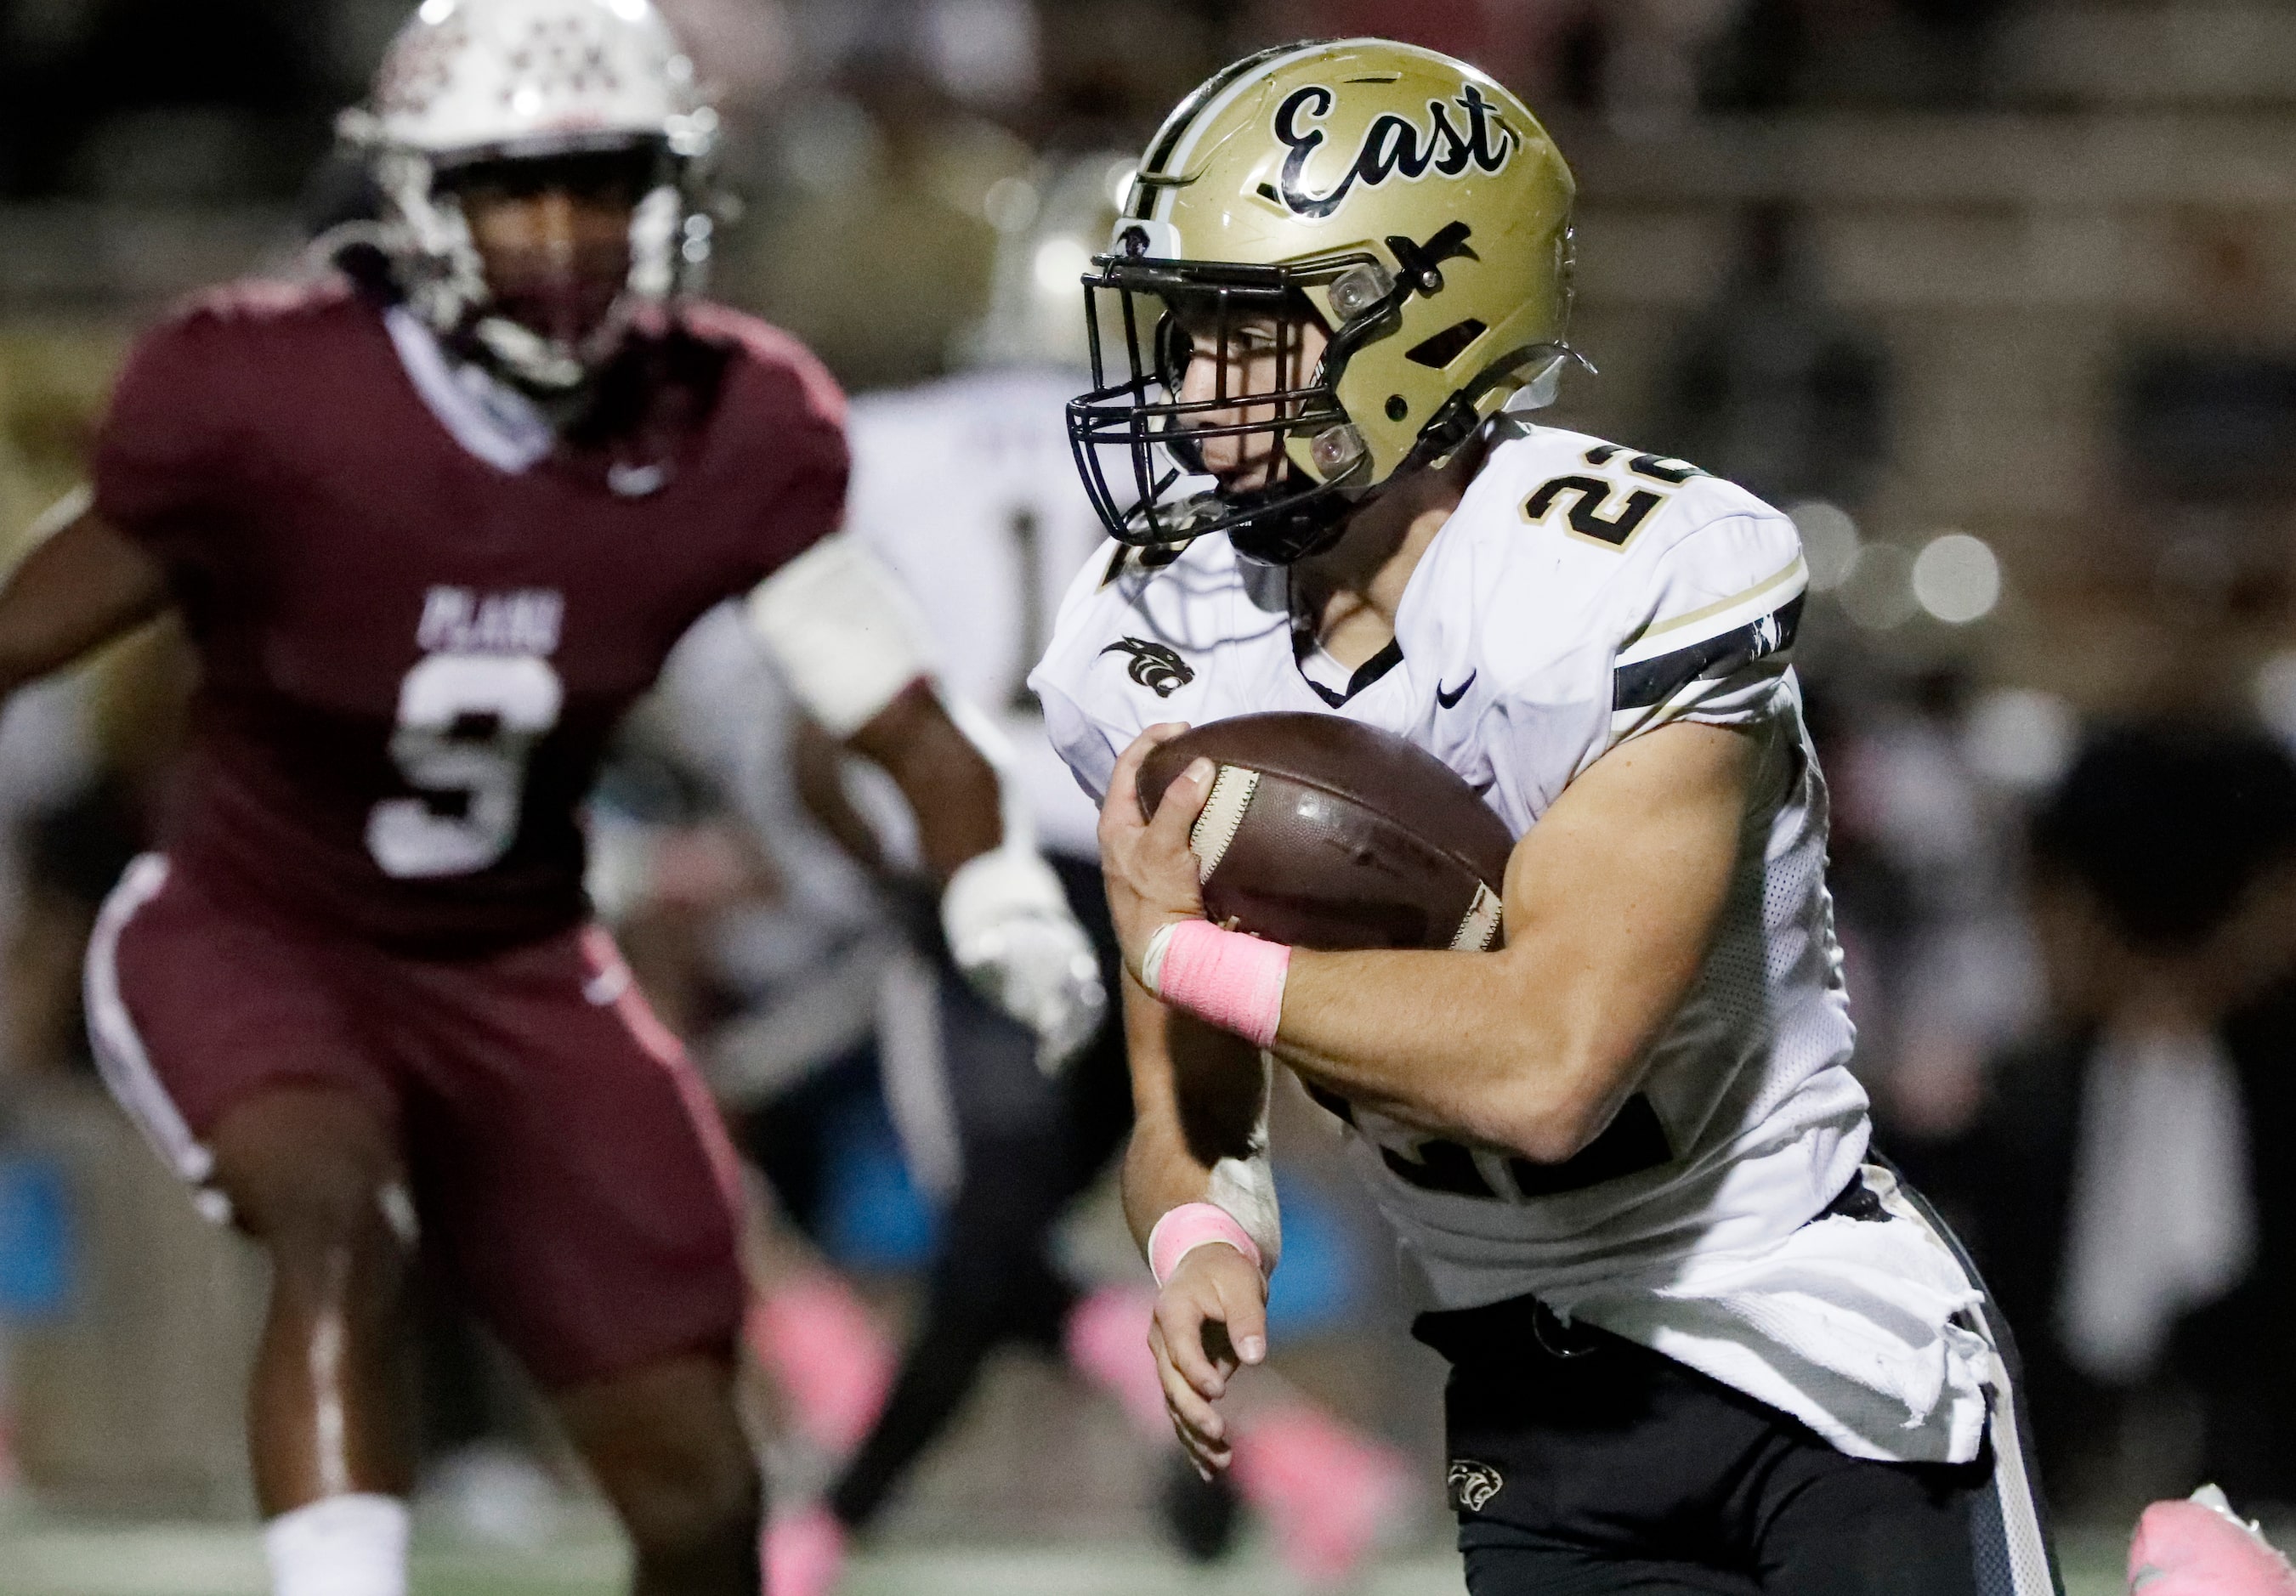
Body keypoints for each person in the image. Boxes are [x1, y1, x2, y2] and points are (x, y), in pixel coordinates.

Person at [11, 3, 1103, 1595]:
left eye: (602, 183)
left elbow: (904, 723)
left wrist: (996, 892)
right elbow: (28, 628)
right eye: (514, 188)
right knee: (342, 1222)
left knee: (700, 1487)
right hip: (259, 929)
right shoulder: (272, 395)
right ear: (414, 205)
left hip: (524, 962)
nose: (563, 234)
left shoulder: (725, 418)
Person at [1030, 37, 2063, 1595]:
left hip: (1802, 1334)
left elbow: (1544, 1066)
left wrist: (1182, 954)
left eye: (1242, 336)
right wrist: (1198, 1235)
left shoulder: (1620, 577)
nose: (1186, 386)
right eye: (1182, 335)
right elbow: (1188, 1096)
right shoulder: (1154, 634)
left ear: (1414, 328)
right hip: (1525, 1381)